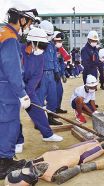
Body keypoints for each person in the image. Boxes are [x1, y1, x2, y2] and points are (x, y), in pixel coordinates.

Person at [0, 8, 36, 179]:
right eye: (29, 23)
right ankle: (4, 162)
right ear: (22, 20)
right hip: (6, 89)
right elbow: (12, 69)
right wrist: (22, 93)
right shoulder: (10, 38)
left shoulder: (2, 32)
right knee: (9, 124)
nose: (29, 27)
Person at [21, 28, 64, 150]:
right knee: (12, 115)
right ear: (32, 42)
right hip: (12, 85)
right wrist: (20, 93)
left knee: (37, 108)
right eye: (41, 46)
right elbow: (13, 73)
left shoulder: (39, 56)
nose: (42, 50)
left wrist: (27, 94)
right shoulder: (18, 51)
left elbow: (36, 76)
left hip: (27, 86)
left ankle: (47, 134)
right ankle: (17, 142)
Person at [5, 139, 104, 185]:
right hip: (79, 157)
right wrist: (97, 165)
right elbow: (78, 169)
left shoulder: (31, 162)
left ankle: (100, 142)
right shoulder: (49, 175)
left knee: (97, 141)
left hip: (69, 151)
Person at [37, 20, 62, 125]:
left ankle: (51, 118)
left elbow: (55, 60)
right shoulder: (36, 44)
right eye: (47, 34)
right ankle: (39, 121)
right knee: (39, 99)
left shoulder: (51, 45)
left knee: (53, 97)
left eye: (50, 35)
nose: (48, 36)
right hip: (41, 75)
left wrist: (56, 72)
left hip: (51, 74)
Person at [53, 31, 69, 114]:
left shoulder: (60, 50)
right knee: (50, 94)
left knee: (59, 91)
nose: (60, 43)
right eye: (58, 41)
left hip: (57, 75)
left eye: (61, 41)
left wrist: (63, 74)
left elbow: (62, 62)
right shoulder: (49, 49)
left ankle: (57, 108)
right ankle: (51, 111)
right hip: (50, 74)